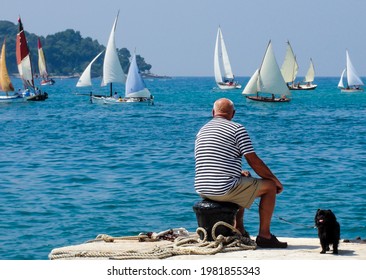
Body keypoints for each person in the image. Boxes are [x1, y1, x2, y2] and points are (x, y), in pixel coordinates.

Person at [194, 98, 287, 248]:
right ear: (233, 114)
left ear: (213, 113)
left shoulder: (202, 131)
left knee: (243, 180)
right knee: (269, 187)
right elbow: (253, 160)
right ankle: (265, 235)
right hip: (223, 189)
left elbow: (215, 162)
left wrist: (238, 173)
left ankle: (239, 229)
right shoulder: (237, 129)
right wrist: (274, 180)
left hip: (202, 189)